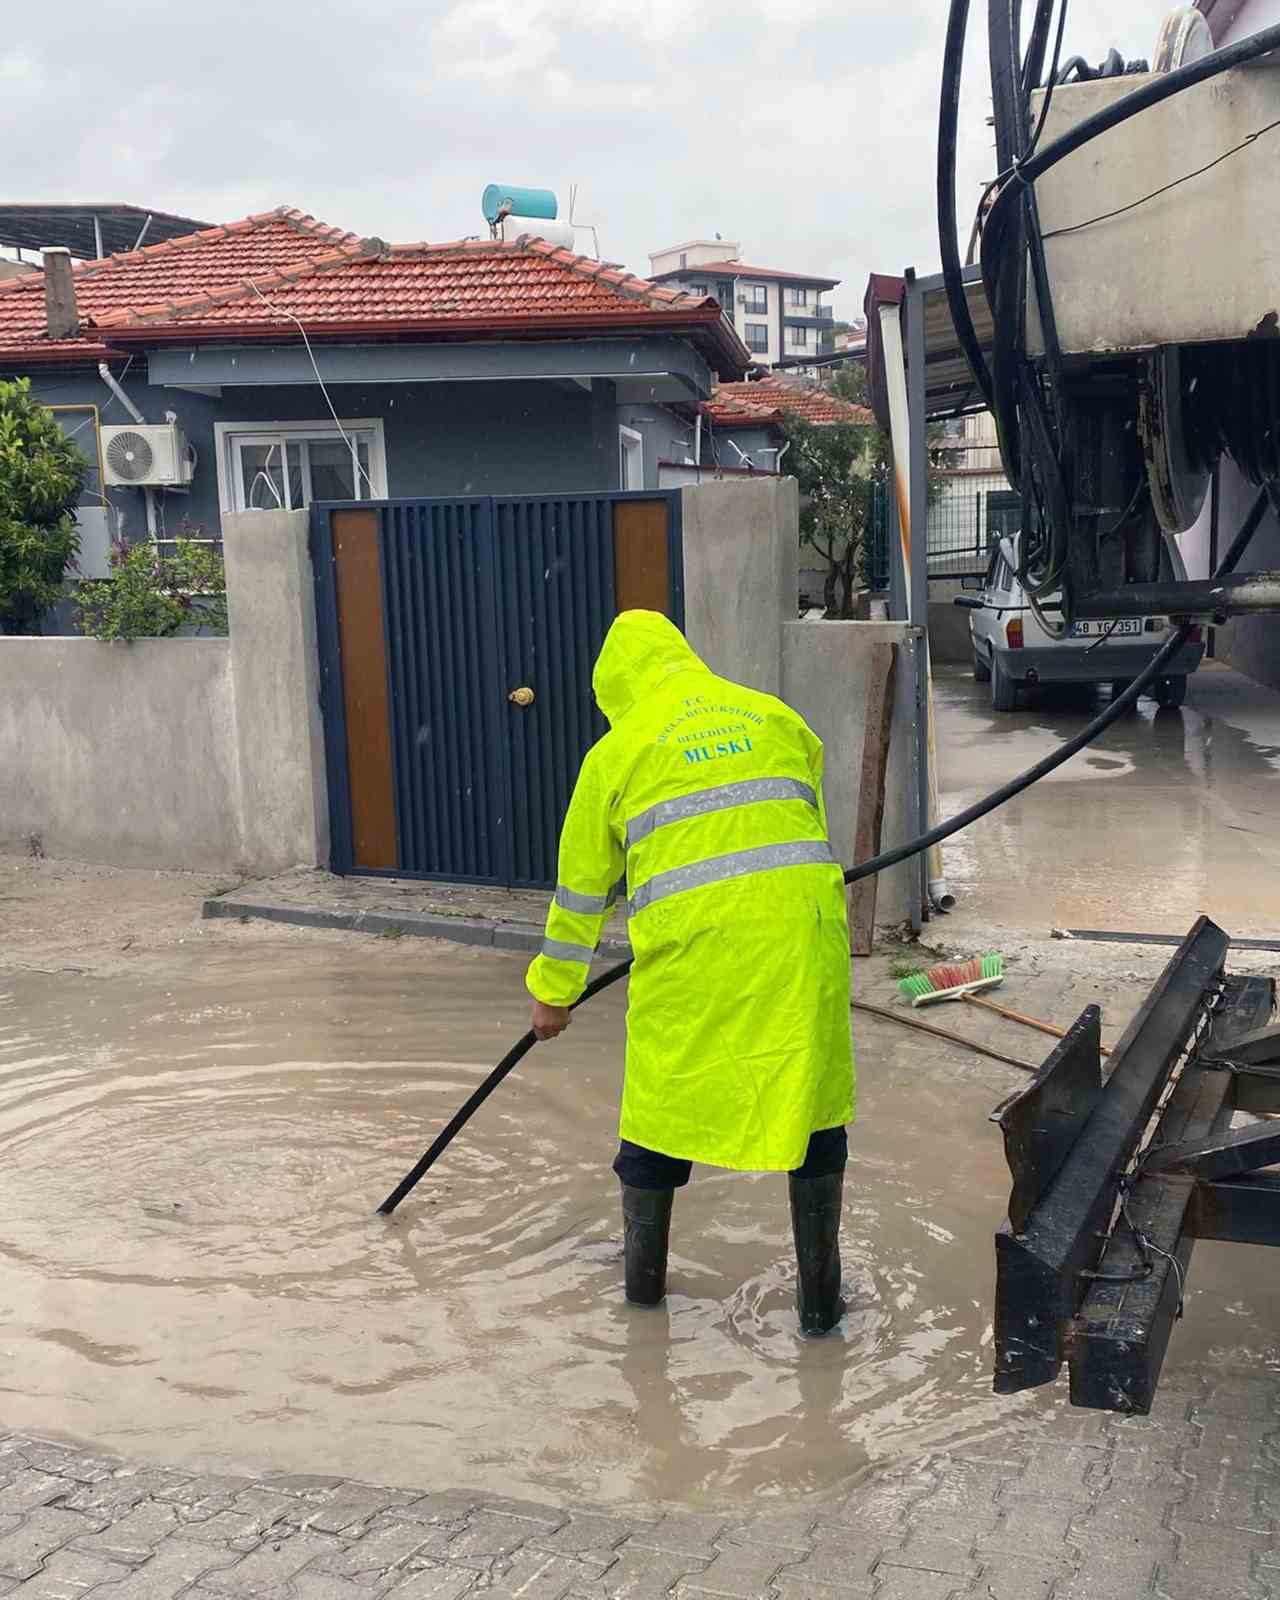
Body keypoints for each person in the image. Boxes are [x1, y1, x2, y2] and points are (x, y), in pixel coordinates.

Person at [525, 610, 855, 1335]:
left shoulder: (616, 754)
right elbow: (803, 831)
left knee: (660, 1110)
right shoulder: (776, 717)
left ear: (616, 684)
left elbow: (581, 893)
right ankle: (821, 1310)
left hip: (693, 952)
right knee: (812, 1107)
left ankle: (644, 1304)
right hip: (806, 945)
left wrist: (554, 993)